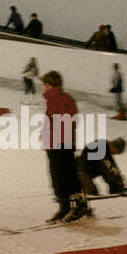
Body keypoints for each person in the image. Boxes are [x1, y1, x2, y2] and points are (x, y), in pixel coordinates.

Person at [41, 71, 90, 223]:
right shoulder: (53, 100)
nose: (42, 87)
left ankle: (79, 206)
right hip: (54, 144)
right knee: (56, 177)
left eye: (44, 84)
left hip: (61, 144)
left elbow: (68, 122)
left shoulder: (62, 100)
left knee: (66, 176)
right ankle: (65, 207)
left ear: (48, 85)